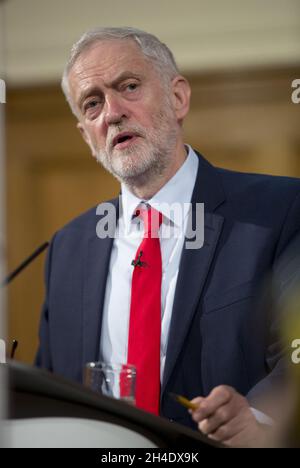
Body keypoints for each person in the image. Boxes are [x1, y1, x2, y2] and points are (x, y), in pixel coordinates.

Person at [35, 27, 300, 447]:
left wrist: (258, 418)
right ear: (88, 136)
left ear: (178, 98)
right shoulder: (66, 249)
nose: (112, 112)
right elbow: (50, 391)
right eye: (92, 104)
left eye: (130, 86)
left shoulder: (280, 210)